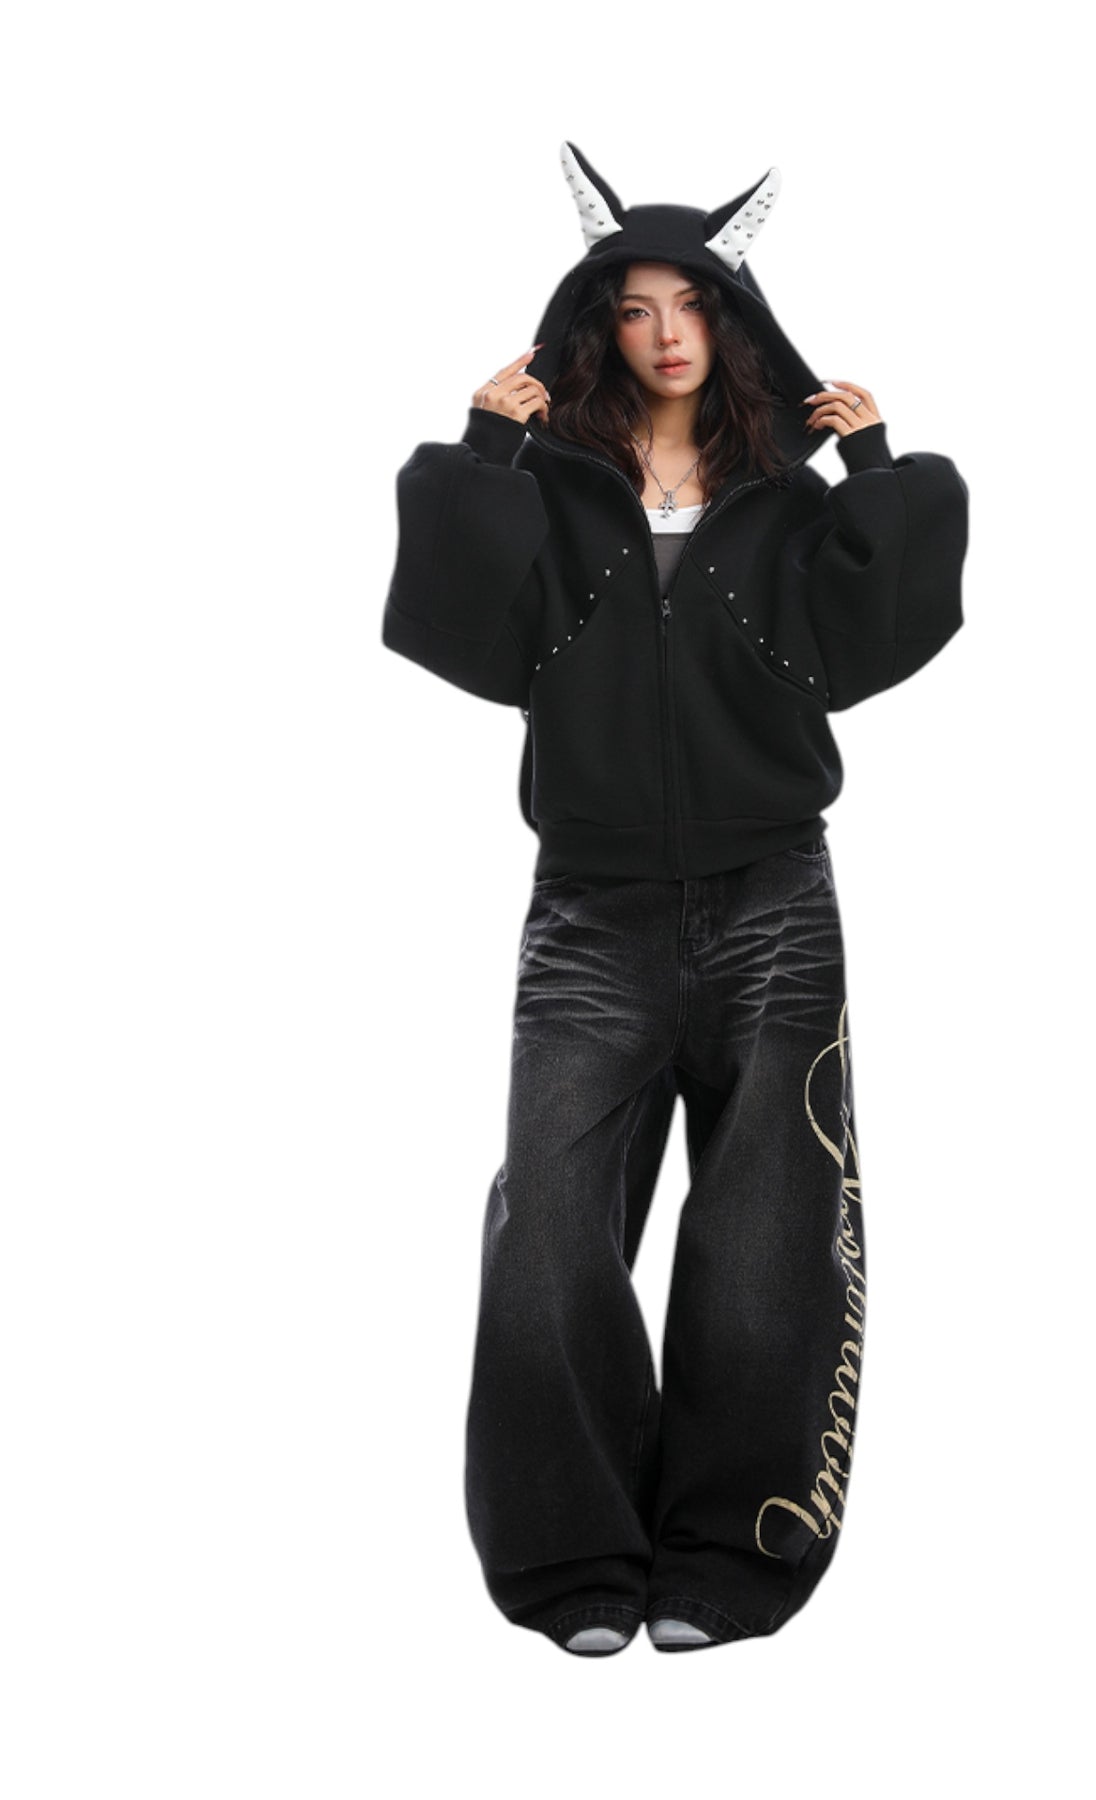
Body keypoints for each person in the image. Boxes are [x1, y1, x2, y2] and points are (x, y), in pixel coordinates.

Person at [381, 141, 969, 1656]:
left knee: (766, 1242)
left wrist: (876, 468)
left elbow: (885, 627)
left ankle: (727, 1556)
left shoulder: (779, 493)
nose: (664, 332)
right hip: (591, 909)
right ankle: (576, 1561)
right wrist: (482, 451)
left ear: (731, 317)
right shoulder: (553, 491)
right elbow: (454, 628)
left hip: (774, 898)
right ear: (599, 322)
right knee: (550, 1236)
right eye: (634, 306)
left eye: (691, 303)